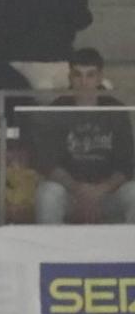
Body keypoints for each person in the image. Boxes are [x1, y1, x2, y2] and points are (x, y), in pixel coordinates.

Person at [31, 49, 135, 225]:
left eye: (90, 75)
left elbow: (127, 164)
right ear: (70, 77)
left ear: (100, 77)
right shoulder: (57, 108)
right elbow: (47, 162)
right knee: (47, 194)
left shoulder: (115, 109)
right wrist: (79, 189)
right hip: (69, 193)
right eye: (78, 75)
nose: (84, 82)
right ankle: (49, 252)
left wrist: (99, 191)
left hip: (107, 193)